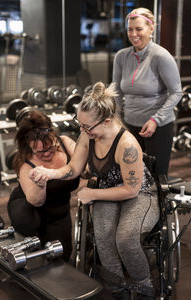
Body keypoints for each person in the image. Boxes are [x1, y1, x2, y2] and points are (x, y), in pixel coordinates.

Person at [29, 82, 160, 300]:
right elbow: (73, 169)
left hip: (140, 194)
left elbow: (131, 189)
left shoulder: (126, 144)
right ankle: (118, 288)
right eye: (79, 124)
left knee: (125, 238)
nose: (82, 130)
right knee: (104, 237)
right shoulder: (88, 136)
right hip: (108, 190)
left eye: (87, 126)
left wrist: (92, 194)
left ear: (107, 121)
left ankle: (144, 285)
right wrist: (48, 173)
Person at [112, 7, 182, 177]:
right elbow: (116, 89)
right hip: (129, 126)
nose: (134, 34)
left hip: (156, 127)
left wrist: (155, 120)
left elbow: (176, 92)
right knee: (131, 175)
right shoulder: (121, 56)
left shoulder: (161, 56)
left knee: (156, 177)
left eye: (139, 29)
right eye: (130, 29)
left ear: (151, 29)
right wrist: (122, 116)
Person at [7, 110, 80, 262]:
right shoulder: (24, 163)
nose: (46, 154)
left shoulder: (66, 143)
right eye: (39, 151)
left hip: (59, 209)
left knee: (63, 256)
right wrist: (40, 185)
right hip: (30, 208)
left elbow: (85, 169)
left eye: (49, 148)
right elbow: (36, 201)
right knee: (36, 256)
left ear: (53, 135)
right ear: (29, 145)